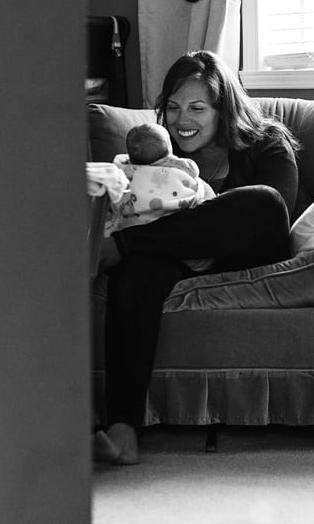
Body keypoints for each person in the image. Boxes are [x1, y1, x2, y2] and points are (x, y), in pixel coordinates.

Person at [93, 50, 300, 465]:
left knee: (264, 201)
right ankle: (123, 430)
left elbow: (277, 216)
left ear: (223, 109)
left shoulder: (267, 144)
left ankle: (117, 251)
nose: (181, 120)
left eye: (196, 108)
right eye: (172, 107)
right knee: (137, 269)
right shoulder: (155, 158)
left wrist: (188, 232)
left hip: (244, 254)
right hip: (169, 253)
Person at [105, 123, 216, 236]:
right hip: (172, 221)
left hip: (134, 225)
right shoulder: (172, 162)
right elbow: (193, 171)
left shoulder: (122, 167)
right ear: (168, 147)